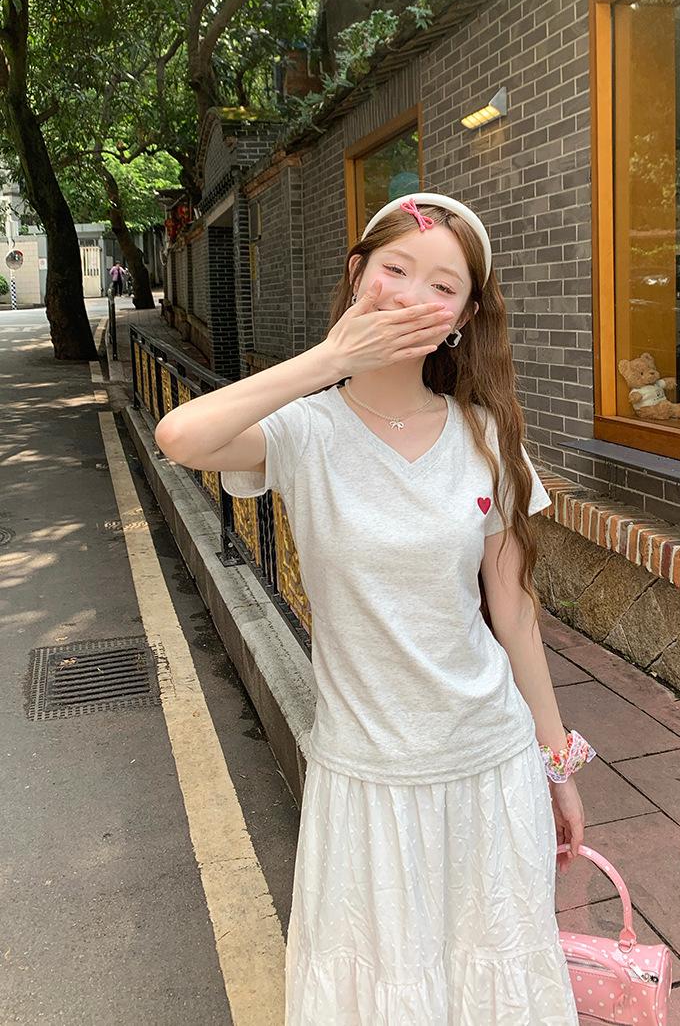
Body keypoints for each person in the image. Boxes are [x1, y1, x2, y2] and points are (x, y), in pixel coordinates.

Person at [154, 193, 596, 1024]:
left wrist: (557, 765)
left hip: (487, 763)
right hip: (367, 778)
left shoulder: (486, 435)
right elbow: (180, 436)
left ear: (463, 318)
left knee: (492, 986)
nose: (413, 295)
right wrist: (329, 357)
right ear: (358, 275)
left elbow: (514, 611)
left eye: (443, 286)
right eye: (395, 269)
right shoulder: (304, 429)